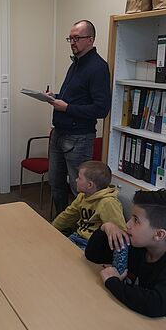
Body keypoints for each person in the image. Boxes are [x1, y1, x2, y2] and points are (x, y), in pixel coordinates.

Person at [85, 190, 166, 330]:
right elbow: (93, 255)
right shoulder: (139, 245)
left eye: (136, 220)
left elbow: (155, 305)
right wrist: (106, 228)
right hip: (144, 322)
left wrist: (113, 282)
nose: (128, 224)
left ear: (158, 234)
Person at [46, 20, 111, 217]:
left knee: (80, 191)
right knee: (56, 185)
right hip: (59, 134)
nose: (72, 42)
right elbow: (74, 98)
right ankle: (61, 224)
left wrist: (67, 108)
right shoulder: (75, 64)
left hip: (79, 138)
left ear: (90, 40)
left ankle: (78, 234)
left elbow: (101, 109)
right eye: (70, 38)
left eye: (77, 38)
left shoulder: (98, 67)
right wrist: (55, 98)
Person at [51, 161, 126, 250]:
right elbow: (68, 216)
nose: (76, 180)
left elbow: (119, 233)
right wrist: (51, 228)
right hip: (77, 236)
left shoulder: (108, 203)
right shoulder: (82, 196)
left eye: (79, 178)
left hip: (92, 244)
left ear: (89, 185)